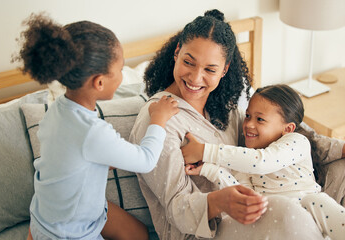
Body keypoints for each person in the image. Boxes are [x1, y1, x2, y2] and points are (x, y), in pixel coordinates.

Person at [129, 9, 345, 240]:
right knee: (285, 210)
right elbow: (176, 209)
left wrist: (339, 148)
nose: (195, 78)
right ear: (177, 53)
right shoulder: (157, 121)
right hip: (201, 231)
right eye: (189, 62)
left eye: (210, 69)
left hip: (252, 202)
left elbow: (280, 135)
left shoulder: (227, 110)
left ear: (225, 69)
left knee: (339, 169)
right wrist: (219, 201)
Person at [14, 13, 179, 240]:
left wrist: (95, 164)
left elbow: (64, 155)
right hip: (69, 232)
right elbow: (146, 161)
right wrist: (159, 119)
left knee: (139, 234)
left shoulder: (57, 109)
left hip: (54, 212)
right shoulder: (92, 132)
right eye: (121, 70)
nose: (123, 75)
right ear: (99, 82)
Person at [182, 84, 345, 240]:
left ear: (287, 129)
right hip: (281, 226)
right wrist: (210, 170)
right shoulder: (245, 163)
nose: (248, 125)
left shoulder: (297, 142)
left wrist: (205, 151)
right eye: (247, 116)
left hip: (313, 218)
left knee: (317, 201)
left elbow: (262, 162)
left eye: (260, 119)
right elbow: (242, 195)